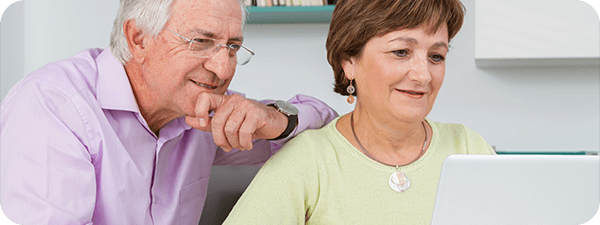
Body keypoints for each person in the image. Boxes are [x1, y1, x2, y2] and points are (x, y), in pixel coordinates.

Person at [0, 0, 338, 224]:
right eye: (200, 42)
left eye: (233, 47)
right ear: (138, 39)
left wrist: (276, 120)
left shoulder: (201, 111)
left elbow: (325, 124)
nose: (223, 68)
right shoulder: (53, 106)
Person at [223, 0, 496, 224]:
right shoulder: (309, 159)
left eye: (436, 56)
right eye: (401, 52)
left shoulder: (468, 147)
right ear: (349, 63)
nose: (424, 75)